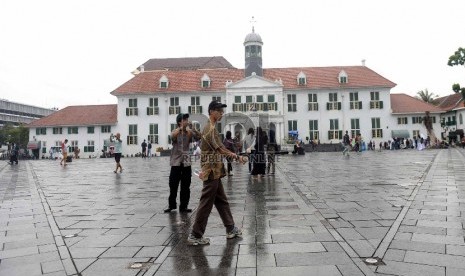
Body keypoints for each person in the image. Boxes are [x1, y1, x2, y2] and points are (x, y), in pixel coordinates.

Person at [188, 100, 246, 245]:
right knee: (206, 202)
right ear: (212, 111)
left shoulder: (210, 127)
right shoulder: (210, 129)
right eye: (219, 111)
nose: (221, 114)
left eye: (222, 111)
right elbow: (220, 149)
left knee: (221, 201)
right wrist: (237, 157)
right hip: (211, 170)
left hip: (215, 169)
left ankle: (231, 228)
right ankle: (195, 235)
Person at [165, 113, 201, 213]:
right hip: (176, 162)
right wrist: (181, 128)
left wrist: (193, 128)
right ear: (179, 122)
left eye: (186, 119)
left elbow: (199, 137)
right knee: (173, 185)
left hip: (186, 161)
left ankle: (184, 206)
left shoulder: (189, 132)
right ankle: (172, 205)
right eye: (184, 119)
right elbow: (172, 137)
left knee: (186, 185)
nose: (186, 121)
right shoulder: (175, 131)